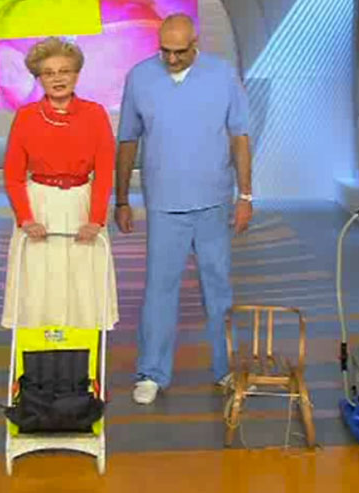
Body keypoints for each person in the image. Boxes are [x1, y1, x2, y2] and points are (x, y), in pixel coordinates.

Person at [115, 14, 252, 404]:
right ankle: (151, 373)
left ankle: (226, 369)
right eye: (165, 51)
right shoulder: (140, 77)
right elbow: (127, 140)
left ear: (196, 44)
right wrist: (121, 199)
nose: (172, 59)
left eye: (180, 52)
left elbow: (240, 136)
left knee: (218, 289)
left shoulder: (222, 75)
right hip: (164, 204)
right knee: (159, 290)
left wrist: (245, 196)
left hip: (214, 201)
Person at [1, 37, 119, 331]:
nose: (57, 79)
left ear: (76, 75)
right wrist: (26, 219)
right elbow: (13, 175)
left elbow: (105, 173)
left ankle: (82, 355)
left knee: (82, 283)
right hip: (39, 204)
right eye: (49, 73)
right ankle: (37, 356)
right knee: (38, 282)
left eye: (64, 71)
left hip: (81, 202)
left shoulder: (95, 114)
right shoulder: (26, 117)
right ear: (39, 78)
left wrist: (95, 220)